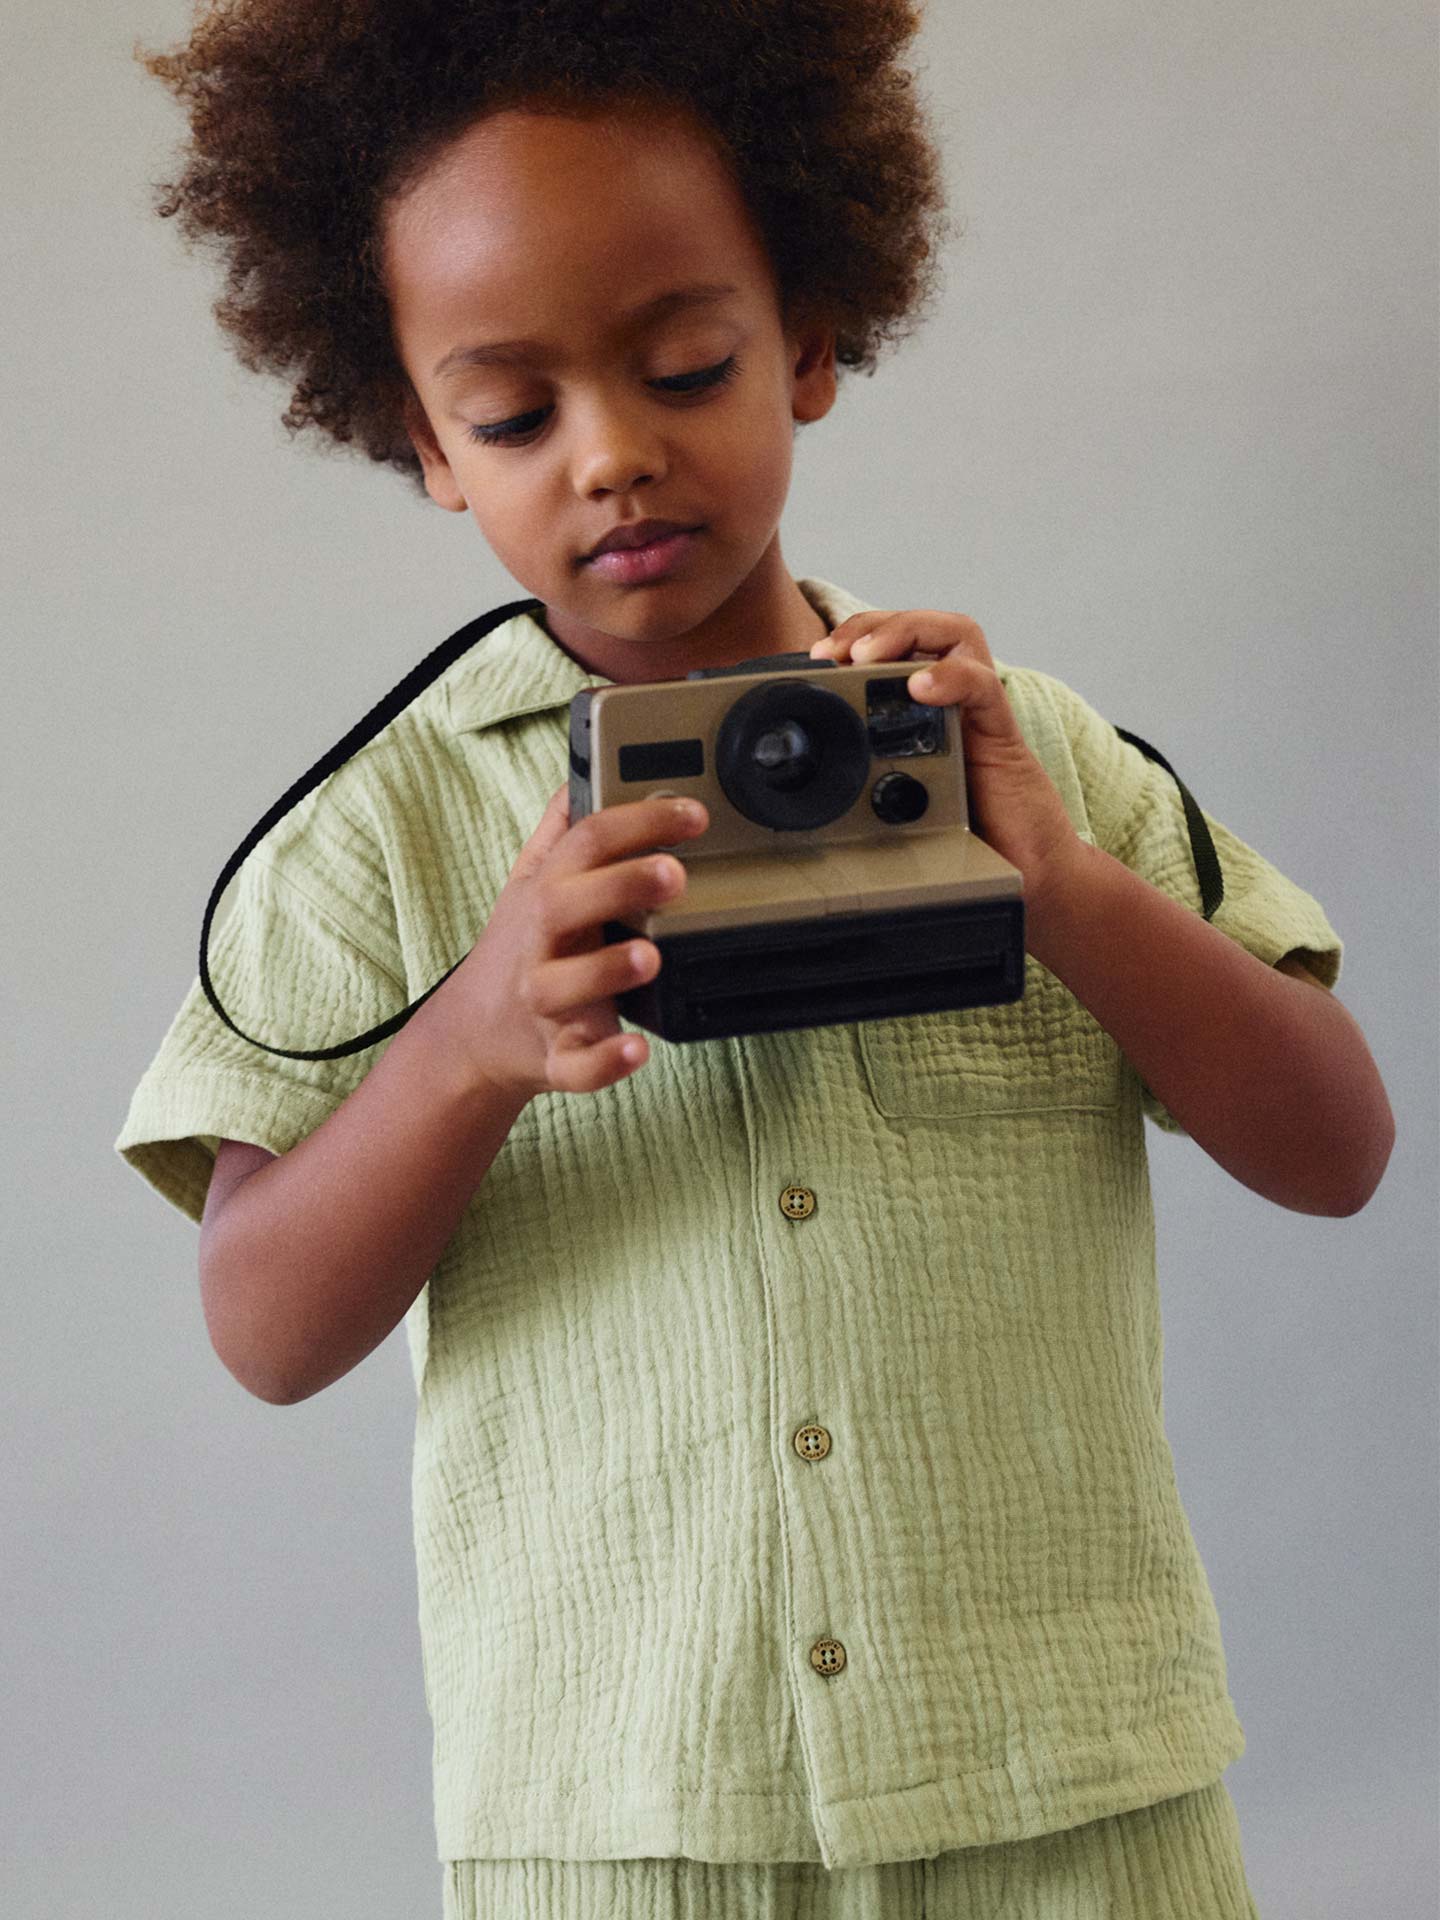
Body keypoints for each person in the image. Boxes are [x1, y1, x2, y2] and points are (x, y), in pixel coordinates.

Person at [114, 4, 1395, 1916]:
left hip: (1067, 1793)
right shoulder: (374, 839)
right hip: (628, 1820)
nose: (616, 457)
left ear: (804, 339)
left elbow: (1337, 1148)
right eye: (517, 413)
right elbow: (263, 1327)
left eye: (687, 363)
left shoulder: (1013, 747)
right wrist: (468, 1043)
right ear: (421, 441)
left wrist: (1062, 888)